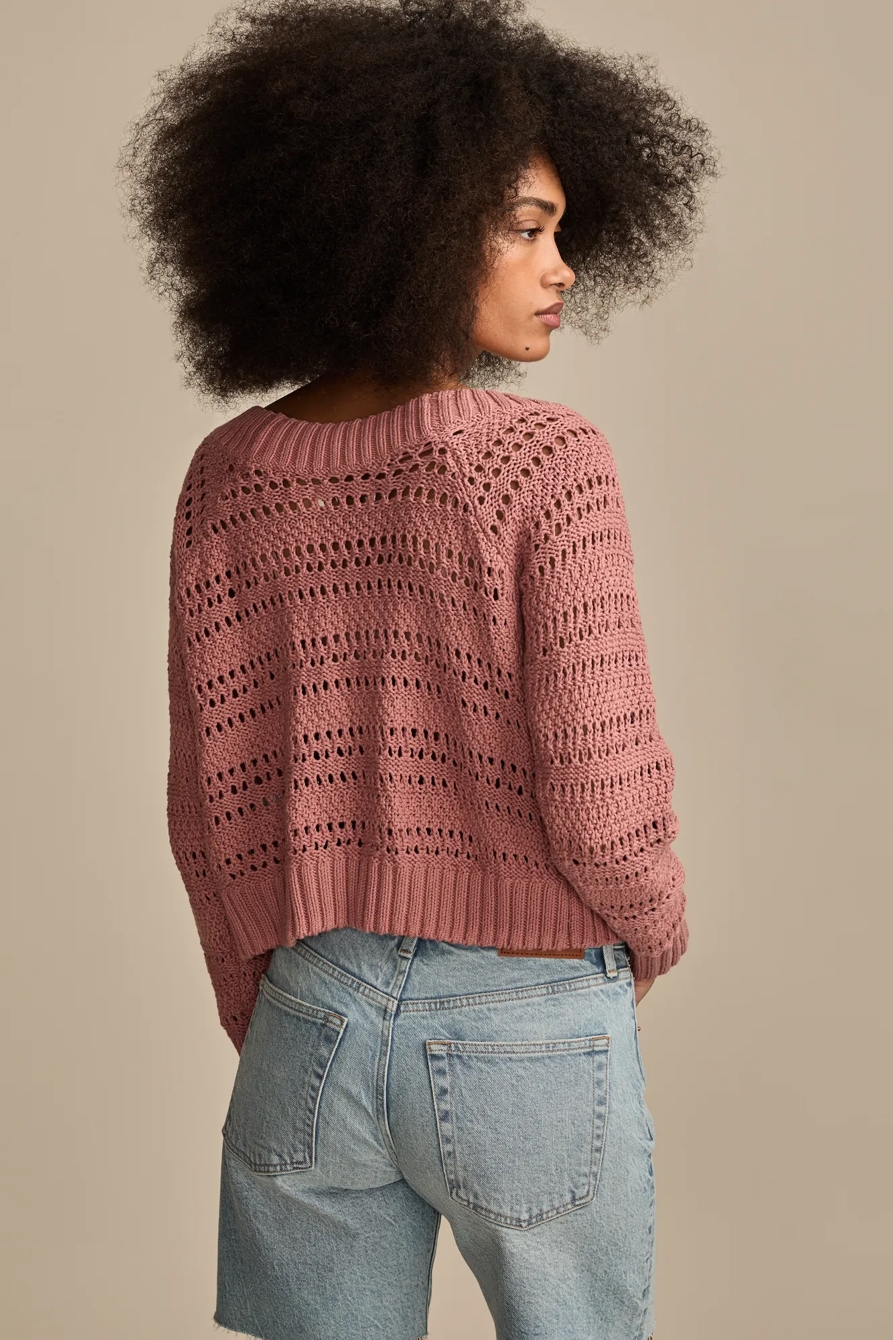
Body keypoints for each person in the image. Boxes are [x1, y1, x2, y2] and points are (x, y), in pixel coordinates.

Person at [118, 2, 721, 1336]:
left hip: (307, 1012)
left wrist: (269, 1000)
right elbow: (601, 788)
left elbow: (210, 807)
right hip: (527, 1005)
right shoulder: (544, 461)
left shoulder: (228, 474)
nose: (562, 265)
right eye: (526, 227)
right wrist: (650, 931)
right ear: (416, 226)